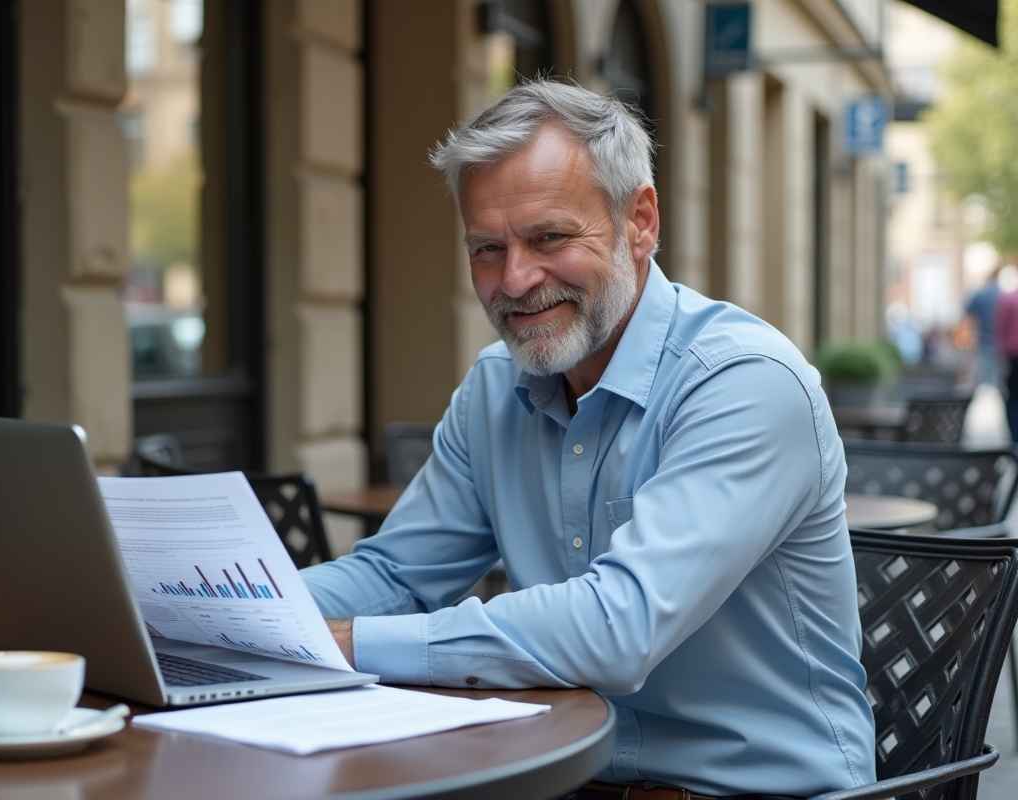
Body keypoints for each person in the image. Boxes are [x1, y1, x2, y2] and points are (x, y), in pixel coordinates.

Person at [302, 80, 875, 799]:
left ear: (640, 222)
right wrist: (239, 615)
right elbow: (396, 578)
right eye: (487, 248)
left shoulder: (744, 382)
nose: (516, 279)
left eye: (549, 238)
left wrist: (346, 643)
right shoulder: (493, 388)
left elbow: (616, 629)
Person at [963, 268, 1003, 388]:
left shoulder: (979, 294)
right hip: (999, 345)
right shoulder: (1002, 294)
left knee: (980, 382)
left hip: (982, 341)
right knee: (998, 382)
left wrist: (970, 336)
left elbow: (969, 317)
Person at [994, 278, 1018, 442]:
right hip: (1012, 354)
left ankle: (1015, 439)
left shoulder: (1008, 299)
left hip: (1013, 356)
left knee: (1013, 398)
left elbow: (1000, 330)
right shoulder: (1008, 299)